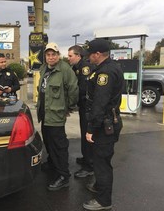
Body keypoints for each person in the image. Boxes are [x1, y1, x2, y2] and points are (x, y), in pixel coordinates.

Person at [82, 39, 124, 210]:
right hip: (106, 122)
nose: (88, 57)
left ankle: (103, 201)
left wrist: (91, 129)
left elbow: (99, 104)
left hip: (104, 125)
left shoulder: (105, 73)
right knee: (101, 160)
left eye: (90, 54)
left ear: (97, 54)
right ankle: (99, 186)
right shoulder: (109, 67)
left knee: (102, 164)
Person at [37, 42, 78, 191]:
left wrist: (68, 107)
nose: (51, 57)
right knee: (47, 141)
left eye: (53, 54)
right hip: (45, 113)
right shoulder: (44, 68)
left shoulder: (65, 70)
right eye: (48, 55)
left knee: (59, 145)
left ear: (58, 55)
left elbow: (73, 91)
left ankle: (63, 175)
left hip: (56, 114)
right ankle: (52, 163)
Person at [68, 45, 95, 179]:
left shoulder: (84, 68)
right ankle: (86, 158)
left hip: (87, 107)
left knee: (87, 135)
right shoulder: (76, 67)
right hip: (83, 107)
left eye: (70, 56)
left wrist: (71, 103)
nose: (68, 58)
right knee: (84, 133)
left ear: (78, 56)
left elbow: (82, 90)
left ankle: (89, 166)